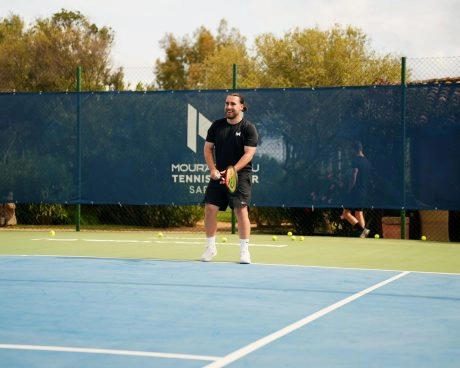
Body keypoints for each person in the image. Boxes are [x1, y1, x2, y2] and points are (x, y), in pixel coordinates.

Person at [200, 93, 258, 264]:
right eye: (226, 104)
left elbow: (248, 154)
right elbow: (208, 149)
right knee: (210, 209)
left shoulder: (248, 128)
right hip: (219, 174)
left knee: (241, 211)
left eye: (233, 104)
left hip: (240, 175)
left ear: (241, 106)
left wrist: (232, 171)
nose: (228, 107)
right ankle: (210, 248)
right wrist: (212, 169)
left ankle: (244, 251)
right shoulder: (217, 126)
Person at [341, 141, 372, 238]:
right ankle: (362, 235)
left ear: (354, 150)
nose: (350, 152)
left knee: (345, 213)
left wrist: (350, 188)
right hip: (364, 191)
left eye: (351, 150)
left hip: (356, 190)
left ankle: (362, 230)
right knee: (359, 213)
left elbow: (354, 174)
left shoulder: (355, 160)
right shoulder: (367, 162)